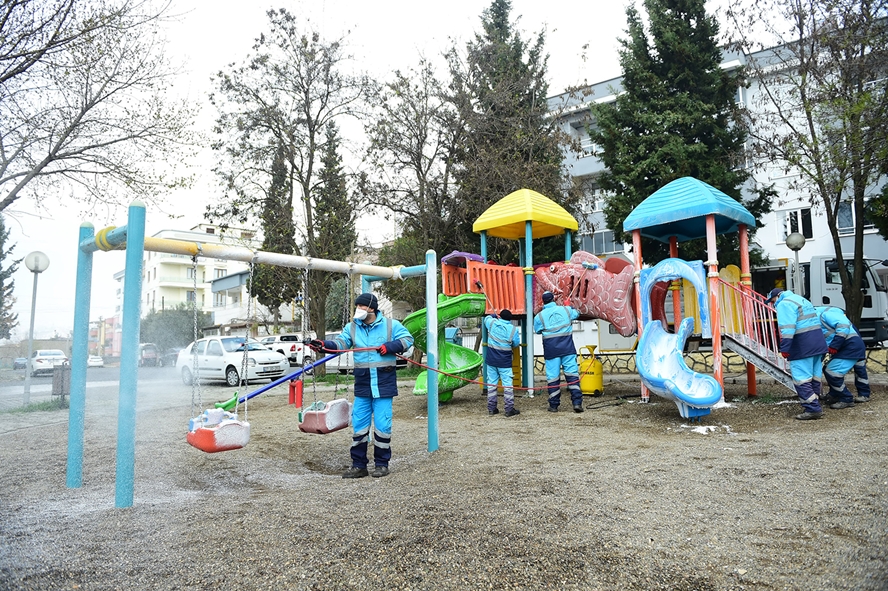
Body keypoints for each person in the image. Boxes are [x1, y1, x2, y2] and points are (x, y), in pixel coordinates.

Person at [308, 292, 413, 479]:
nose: (358, 309)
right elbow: (341, 343)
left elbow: (408, 340)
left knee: (382, 425)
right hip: (363, 384)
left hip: (384, 383)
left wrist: (390, 347)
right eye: (357, 306)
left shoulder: (391, 325)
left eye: (361, 306)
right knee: (359, 426)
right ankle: (359, 465)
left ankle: (382, 464)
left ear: (371, 308)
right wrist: (323, 345)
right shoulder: (352, 327)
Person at [767, 288, 829, 420]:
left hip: (802, 345)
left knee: (801, 379)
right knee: (814, 377)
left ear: (778, 296)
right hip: (818, 343)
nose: (773, 304)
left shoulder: (784, 304)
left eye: (772, 301)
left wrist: (785, 348)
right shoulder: (802, 300)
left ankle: (812, 409)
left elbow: (788, 328)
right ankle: (815, 403)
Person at [533, 291, 583, 413]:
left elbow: (538, 330)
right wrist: (568, 305)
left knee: (553, 378)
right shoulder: (566, 310)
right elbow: (577, 313)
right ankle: (577, 403)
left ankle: (554, 406)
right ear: (554, 299)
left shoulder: (539, 317)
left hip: (551, 351)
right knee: (572, 376)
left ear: (543, 301)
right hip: (568, 349)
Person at [815, 306, 870, 406]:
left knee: (832, 372)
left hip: (849, 346)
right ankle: (861, 394)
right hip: (852, 345)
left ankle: (846, 398)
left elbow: (843, 327)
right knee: (859, 369)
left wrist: (835, 345)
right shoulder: (828, 315)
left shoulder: (825, 315)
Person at [482, 309, 522, 417]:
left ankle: (492, 408)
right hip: (505, 361)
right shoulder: (513, 329)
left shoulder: (493, 323)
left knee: (491, 384)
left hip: (491, 360)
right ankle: (509, 409)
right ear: (510, 319)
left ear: (500, 316)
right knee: (507, 385)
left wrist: (493, 315)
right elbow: (515, 344)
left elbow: (486, 319)